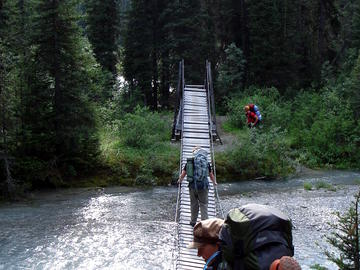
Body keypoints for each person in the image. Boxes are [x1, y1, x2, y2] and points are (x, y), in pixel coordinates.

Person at [187, 204, 301, 270]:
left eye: (201, 248)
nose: (198, 254)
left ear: (218, 245)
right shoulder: (240, 256)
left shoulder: (232, 263)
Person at [178, 146, 217, 227]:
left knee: (194, 204)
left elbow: (184, 173)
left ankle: (193, 221)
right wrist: (214, 182)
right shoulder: (206, 162)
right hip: (203, 186)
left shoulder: (190, 162)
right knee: (204, 204)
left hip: (192, 186)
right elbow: (210, 174)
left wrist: (180, 180)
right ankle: (205, 223)